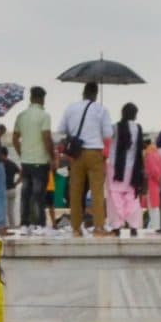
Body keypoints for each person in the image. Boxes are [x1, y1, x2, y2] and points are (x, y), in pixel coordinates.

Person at [57, 82, 111, 236]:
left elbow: (61, 129)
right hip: (95, 153)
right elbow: (108, 133)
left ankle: (75, 229)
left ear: (83, 93)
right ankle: (99, 228)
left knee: (75, 192)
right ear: (95, 94)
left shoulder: (71, 108)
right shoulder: (101, 109)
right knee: (97, 192)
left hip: (76, 154)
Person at [12, 88, 52, 231]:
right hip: (40, 161)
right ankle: (39, 224)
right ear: (42, 98)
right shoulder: (44, 116)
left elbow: (15, 138)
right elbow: (47, 137)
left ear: (31, 98)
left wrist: (21, 153)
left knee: (26, 192)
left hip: (26, 160)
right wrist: (52, 156)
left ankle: (25, 223)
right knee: (38, 193)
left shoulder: (21, 116)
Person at [103, 104, 146, 234]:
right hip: (133, 169)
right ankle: (134, 226)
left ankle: (117, 226)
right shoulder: (138, 128)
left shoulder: (115, 127)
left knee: (114, 196)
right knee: (132, 196)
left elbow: (105, 135)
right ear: (135, 114)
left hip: (115, 168)